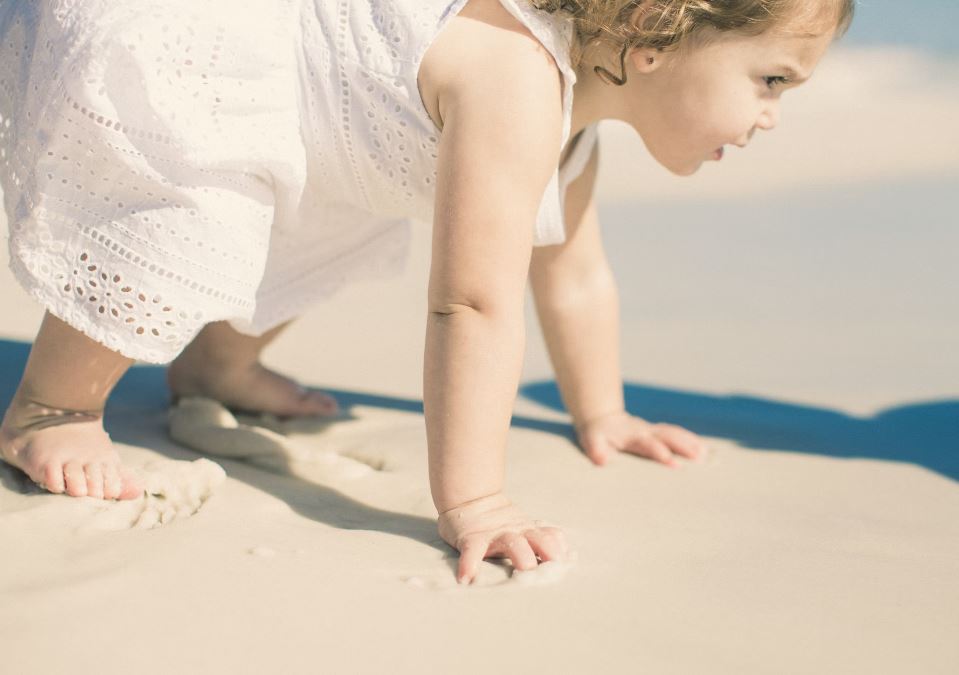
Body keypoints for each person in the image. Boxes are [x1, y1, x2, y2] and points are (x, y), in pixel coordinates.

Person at [0, 0, 853, 583]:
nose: (772, 113)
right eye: (770, 79)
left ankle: (215, 367)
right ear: (652, 34)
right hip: (206, 45)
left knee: (333, 223)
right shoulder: (517, 78)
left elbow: (574, 275)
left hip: (324, 123)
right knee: (185, 219)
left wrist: (604, 414)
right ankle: (52, 408)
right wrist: (475, 498)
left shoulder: (572, 132)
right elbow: (472, 303)